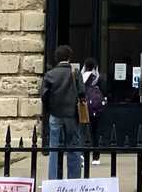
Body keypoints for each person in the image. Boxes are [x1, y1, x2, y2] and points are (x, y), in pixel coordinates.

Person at [40, 44, 87, 180]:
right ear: (69, 57)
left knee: (54, 149)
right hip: (72, 115)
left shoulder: (50, 74)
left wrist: (50, 108)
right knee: (73, 147)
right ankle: (74, 179)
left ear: (57, 58)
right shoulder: (75, 73)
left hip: (55, 114)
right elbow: (82, 93)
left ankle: (53, 180)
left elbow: (44, 96)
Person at [80, 55, 104, 160]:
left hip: (83, 107)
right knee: (95, 132)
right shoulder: (98, 78)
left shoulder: (80, 77)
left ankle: (82, 154)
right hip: (95, 109)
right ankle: (96, 156)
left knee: (82, 132)